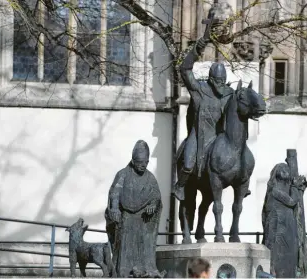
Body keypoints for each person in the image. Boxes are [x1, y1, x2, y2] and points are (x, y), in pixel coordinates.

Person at [172, 12, 250, 201]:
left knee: (244, 158)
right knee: (188, 162)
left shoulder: (229, 94)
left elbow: (238, 112)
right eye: (217, 81)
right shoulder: (199, 90)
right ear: (210, 79)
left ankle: (243, 181)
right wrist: (202, 43)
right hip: (199, 135)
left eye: (223, 81)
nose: (220, 84)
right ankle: (180, 186)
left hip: (220, 138)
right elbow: (184, 69)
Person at [104, 140, 163, 277]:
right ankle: (123, 271)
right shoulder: (123, 174)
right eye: (140, 162)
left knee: (144, 243)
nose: (143, 165)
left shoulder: (150, 178)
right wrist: (114, 208)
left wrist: (152, 206)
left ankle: (145, 270)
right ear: (133, 160)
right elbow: (115, 192)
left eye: (146, 162)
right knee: (124, 243)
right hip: (126, 218)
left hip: (144, 220)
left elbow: (156, 197)